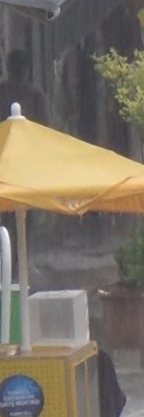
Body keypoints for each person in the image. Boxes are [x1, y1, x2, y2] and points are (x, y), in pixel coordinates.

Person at [0, 49, 50, 281]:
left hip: (10, 168)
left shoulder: (5, 93)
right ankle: (17, 268)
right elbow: (44, 133)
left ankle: (13, 269)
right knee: (20, 224)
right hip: (23, 170)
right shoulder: (35, 96)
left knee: (12, 223)